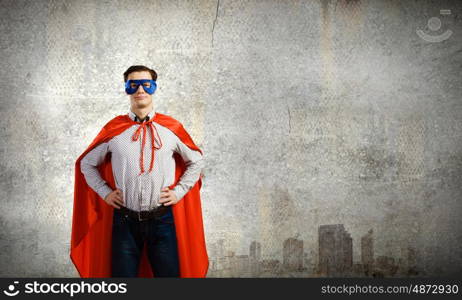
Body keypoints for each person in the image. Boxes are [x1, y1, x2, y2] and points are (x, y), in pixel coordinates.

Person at [70, 65, 208, 277]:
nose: (140, 90)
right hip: (125, 221)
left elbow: (196, 160)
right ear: (126, 88)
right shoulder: (114, 129)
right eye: (133, 85)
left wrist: (179, 191)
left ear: (154, 88)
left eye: (146, 84)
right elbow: (86, 164)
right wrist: (105, 193)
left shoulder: (170, 129)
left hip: (162, 220)